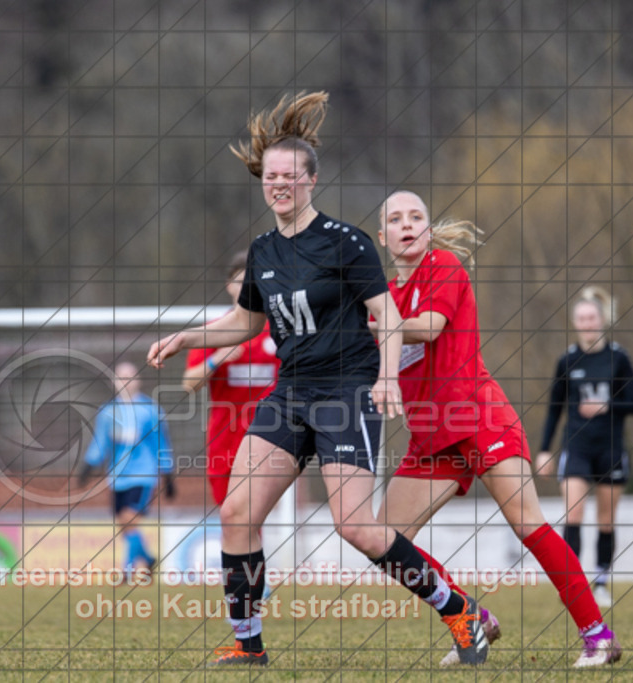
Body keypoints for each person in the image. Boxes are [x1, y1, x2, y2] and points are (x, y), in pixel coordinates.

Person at [148, 92, 489, 668]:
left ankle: (459, 609)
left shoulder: (347, 242)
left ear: (310, 181)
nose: (279, 184)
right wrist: (187, 337)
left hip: (347, 391)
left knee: (355, 527)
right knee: (237, 513)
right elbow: (247, 322)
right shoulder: (262, 251)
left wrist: (386, 380)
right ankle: (247, 642)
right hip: (290, 393)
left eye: (290, 176)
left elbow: (387, 317)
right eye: (271, 176)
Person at [375, 190, 621, 668]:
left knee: (529, 524)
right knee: (383, 537)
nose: (407, 224)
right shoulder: (382, 300)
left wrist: (370, 326)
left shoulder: (442, 266)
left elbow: (426, 327)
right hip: (431, 435)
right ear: (382, 237)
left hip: (478, 415)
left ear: (427, 228)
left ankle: (599, 636)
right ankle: (471, 616)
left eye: (417, 216)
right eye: (395, 219)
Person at [536, 287, 633, 609]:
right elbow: (555, 408)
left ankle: (600, 582)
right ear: (575, 322)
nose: (587, 323)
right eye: (581, 318)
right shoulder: (567, 360)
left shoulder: (619, 358)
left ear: (602, 320)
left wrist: (606, 405)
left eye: (592, 317)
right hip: (577, 447)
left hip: (610, 449)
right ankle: (573, 583)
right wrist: (544, 450)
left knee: (606, 520)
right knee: (574, 513)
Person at [183, 251, 279, 505]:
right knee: (232, 521)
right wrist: (217, 359)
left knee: (253, 518)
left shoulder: (280, 331)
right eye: (241, 281)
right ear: (229, 286)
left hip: (270, 440)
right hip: (224, 442)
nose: (248, 288)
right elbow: (188, 384)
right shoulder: (214, 331)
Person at [79, 361, 176, 580]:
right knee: (125, 525)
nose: (126, 383)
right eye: (121, 378)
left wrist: (168, 474)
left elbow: (162, 443)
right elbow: (100, 442)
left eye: (130, 378)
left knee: (128, 518)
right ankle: (147, 559)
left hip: (143, 474)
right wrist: (88, 466)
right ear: (114, 382)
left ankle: (127, 571)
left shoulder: (151, 410)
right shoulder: (108, 412)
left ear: (138, 381)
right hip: (117, 477)